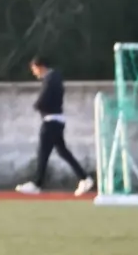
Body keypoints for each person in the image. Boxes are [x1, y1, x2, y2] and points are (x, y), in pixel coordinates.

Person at [17, 56, 95, 196]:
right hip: (57, 120)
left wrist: (38, 105)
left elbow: (44, 98)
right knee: (62, 151)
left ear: (40, 67)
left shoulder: (51, 79)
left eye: (35, 70)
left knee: (43, 152)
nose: (35, 73)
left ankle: (37, 184)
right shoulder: (55, 78)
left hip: (51, 121)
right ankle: (84, 178)